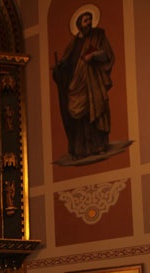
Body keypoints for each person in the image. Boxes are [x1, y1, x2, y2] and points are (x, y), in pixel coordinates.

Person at [53, 9, 115, 160]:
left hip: (92, 82)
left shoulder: (98, 35)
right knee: (78, 116)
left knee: (94, 111)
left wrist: (93, 55)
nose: (89, 23)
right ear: (79, 24)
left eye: (90, 20)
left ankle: (98, 146)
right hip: (76, 84)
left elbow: (107, 55)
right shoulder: (73, 44)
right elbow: (67, 63)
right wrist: (59, 69)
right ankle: (80, 149)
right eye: (86, 20)